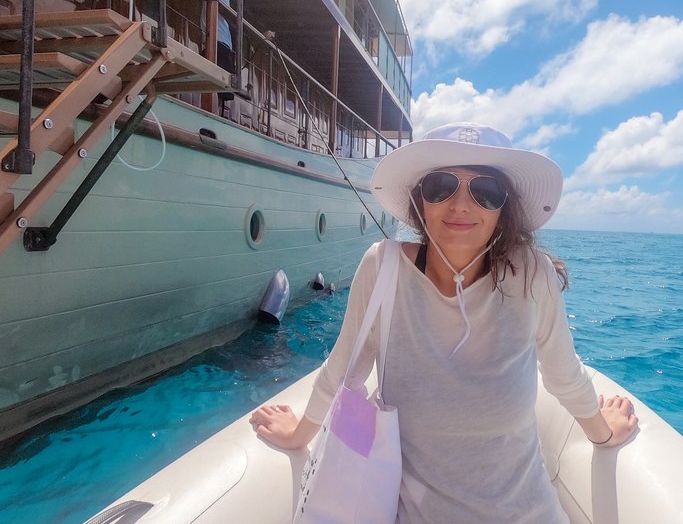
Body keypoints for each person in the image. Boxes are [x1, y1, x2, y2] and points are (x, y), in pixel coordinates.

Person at [250, 122, 639, 523]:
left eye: (486, 191)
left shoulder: (531, 274)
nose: (461, 205)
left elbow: (563, 375)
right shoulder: (383, 268)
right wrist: (299, 437)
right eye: (441, 186)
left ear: (504, 209)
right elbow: (343, 372)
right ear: (420, 201)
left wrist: (603, 433)